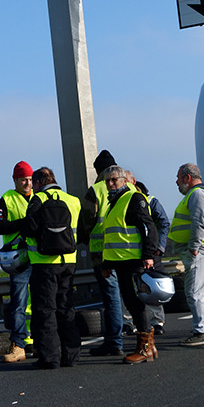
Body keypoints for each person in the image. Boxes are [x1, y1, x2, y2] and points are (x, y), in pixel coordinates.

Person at [94, 166, 162, 363]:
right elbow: (112, 236)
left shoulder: (133, 198)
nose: (110, 184)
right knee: (132, 302)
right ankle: (149, 346)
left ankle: (145, 348)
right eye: (107, 181)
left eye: (114, 180)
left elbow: (148, 228)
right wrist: (106, 263)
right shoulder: (114, 202)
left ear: (124, 180)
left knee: (135, 303)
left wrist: (148, 255)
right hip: (120, 261)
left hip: (134, 261)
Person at [20, 166, 83, 369]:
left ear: (38, 183)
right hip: (69, 262)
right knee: (66, 308)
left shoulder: (38, 200)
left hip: (44, 263)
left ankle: (50, 359)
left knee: (46, 310)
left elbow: (29, 229)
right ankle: (71, 356)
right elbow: (80, 232)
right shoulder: (73, 201)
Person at [77, 149, 126, 356]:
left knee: (111, 296)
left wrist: (82, 242)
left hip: (101, 253)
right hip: (126, 251)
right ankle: (142, 338)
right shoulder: (129, 187)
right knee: (128, 295)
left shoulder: (96, 190)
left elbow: (85, 222)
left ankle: (114, 341)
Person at [167, 162, 204, 346]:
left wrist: (194, 247)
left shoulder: (197, 194)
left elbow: (199, 221)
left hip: (201, 249)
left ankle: (201, 333)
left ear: (187, 178)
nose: (176, 182)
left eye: (178, 178)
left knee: (195, 292)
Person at [0, 161, 36, 362]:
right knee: (19, 302)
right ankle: (19, 344)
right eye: (23, 180)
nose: (27, 183)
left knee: (38, 301)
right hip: (18, 259)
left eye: (29, 179)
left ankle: (35, 339)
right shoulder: (6, 199)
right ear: (15, 180)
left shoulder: (39, 197)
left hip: (38, 256)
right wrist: (24, 224)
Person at [131, 173, 171, 337]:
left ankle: (157, 322)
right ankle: (130, 323)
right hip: (131, 252)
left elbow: (164, 223)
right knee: (131, 289)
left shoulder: (150, 201)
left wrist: (159, 246)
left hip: (150, 252)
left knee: (152, 287)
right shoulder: (121, 202)